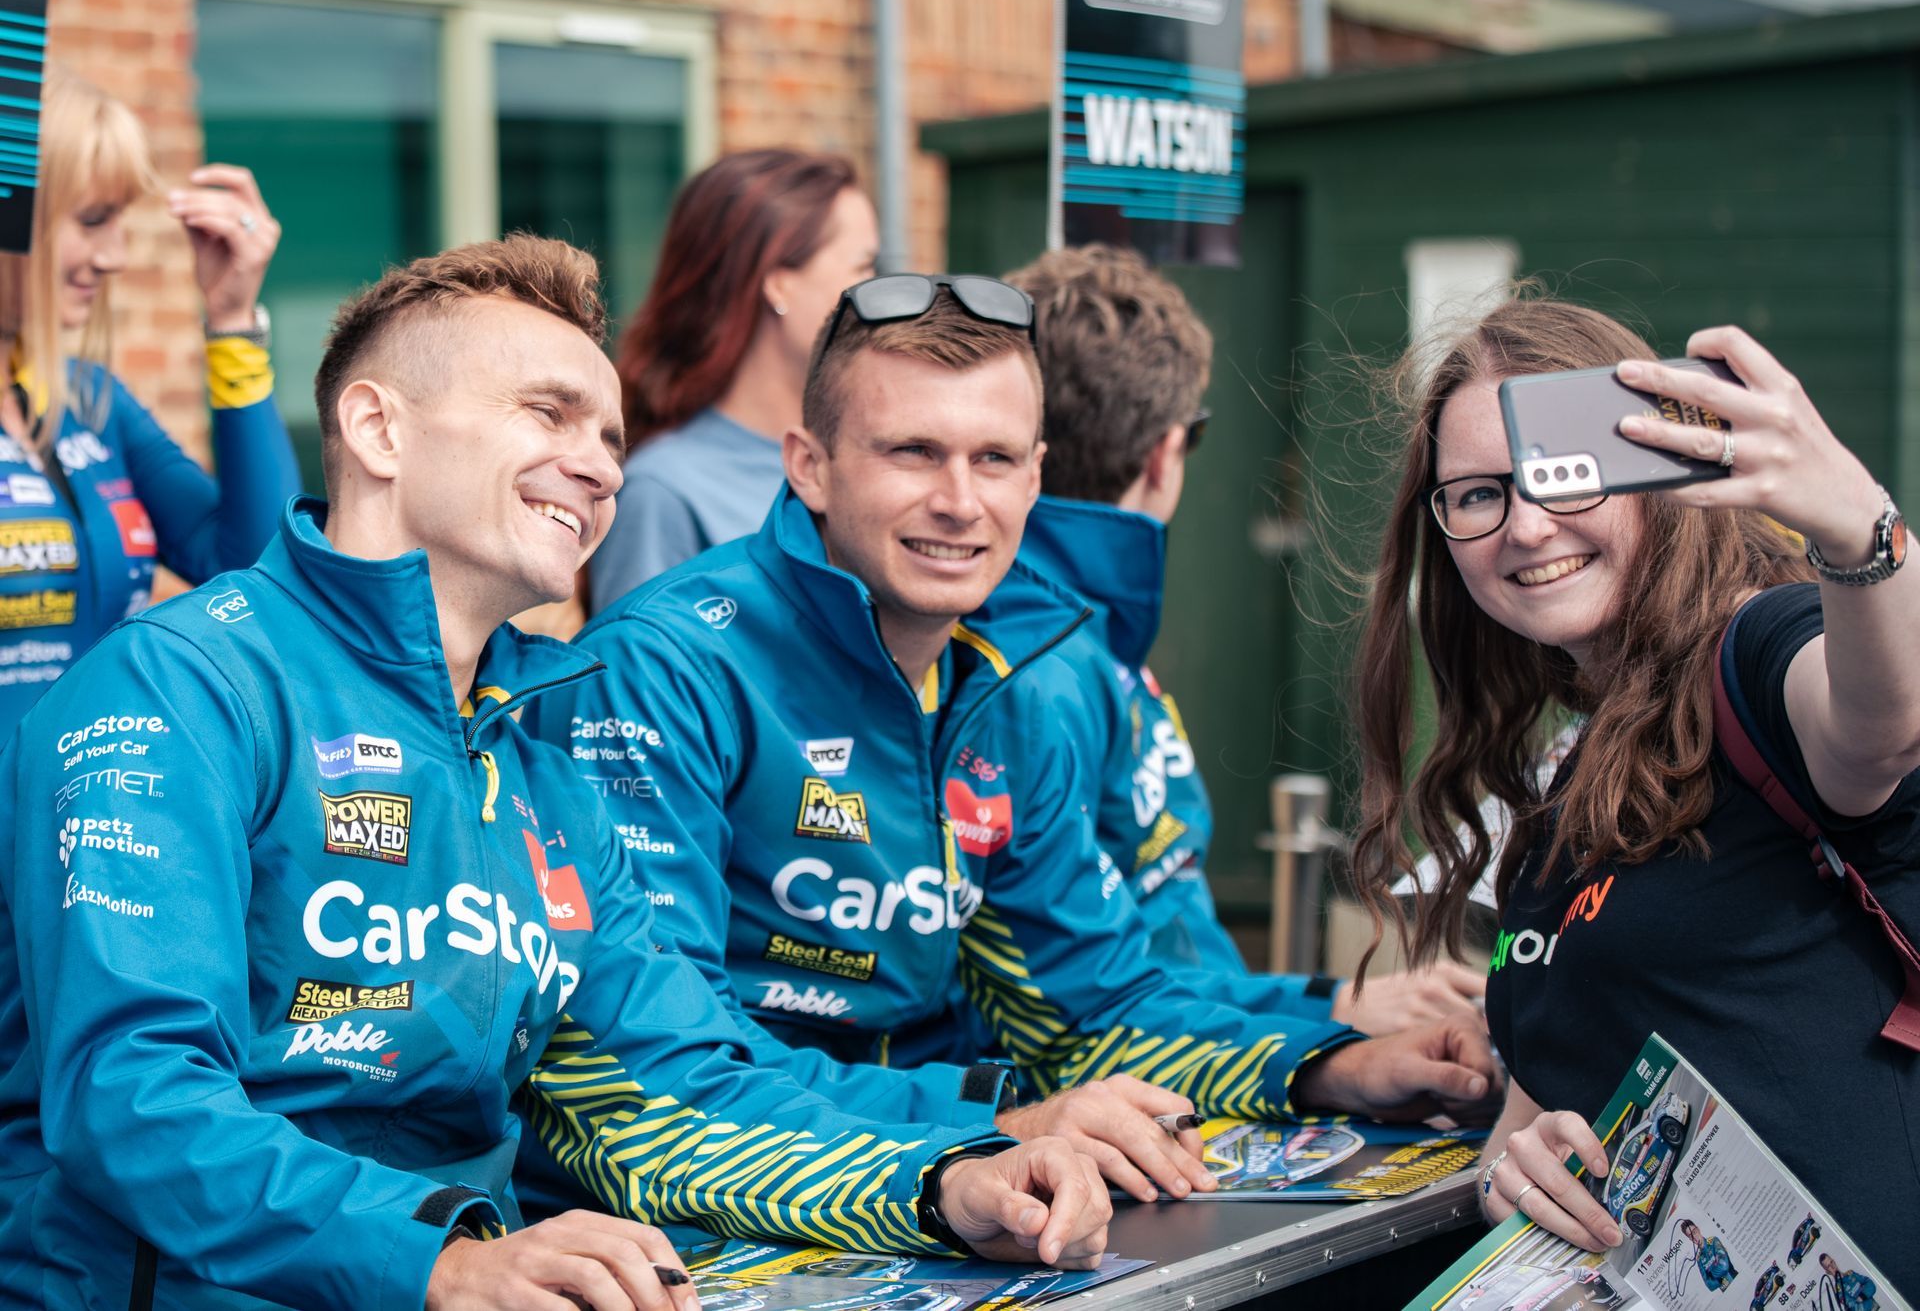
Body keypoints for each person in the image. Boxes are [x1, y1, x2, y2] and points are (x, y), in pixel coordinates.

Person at [0, 238, 1108, 1310]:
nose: (599, 464)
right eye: (548, 413)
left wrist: (943, 1176)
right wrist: (448, 1263)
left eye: (611, 437)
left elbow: (677, 1082)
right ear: (377, 428)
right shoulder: (175, 685)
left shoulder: (538, 744)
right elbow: (132, 1099)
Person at [527, 272, 1501, 1211]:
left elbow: (1088, 1014)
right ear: (809, 465)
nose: (959, 501)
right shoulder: (657, 671)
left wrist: (1331, 1064)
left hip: (930, 1178)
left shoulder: (1013, 676)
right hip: (674, 1226)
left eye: (993, 459)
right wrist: (990, 1127)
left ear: (1036, 476)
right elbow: (649, 1083)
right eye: (912, 452)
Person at [1346, 298, 1920, 1291]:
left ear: (1655, 474)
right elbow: (1533, 1120)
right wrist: (1515, 1173)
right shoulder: (1567, 782)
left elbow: (1883, 726)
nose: (1525, 526)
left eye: (1560, 475)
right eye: (1477, 495)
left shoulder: (1759, 649)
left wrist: (1857, 526)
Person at [1005, 244, 1485, 1032]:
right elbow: (1086, 999)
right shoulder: (1043, 671)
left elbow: (1156, 959)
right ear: (1165, 453)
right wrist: (1325, 1037)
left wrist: (1325, 1003)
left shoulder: (1081, 638)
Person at [0, 67, 298, 731]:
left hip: (93, 822)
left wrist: (232, 322)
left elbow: (260, 571)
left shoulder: (91, 403)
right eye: (93, 220)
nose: (114, 257)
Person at [590, 148, 878, 609]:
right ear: (778, 282)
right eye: (863, 268)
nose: (876, 293)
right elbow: (634, 675)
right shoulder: (664, 493)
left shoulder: (865, 457)